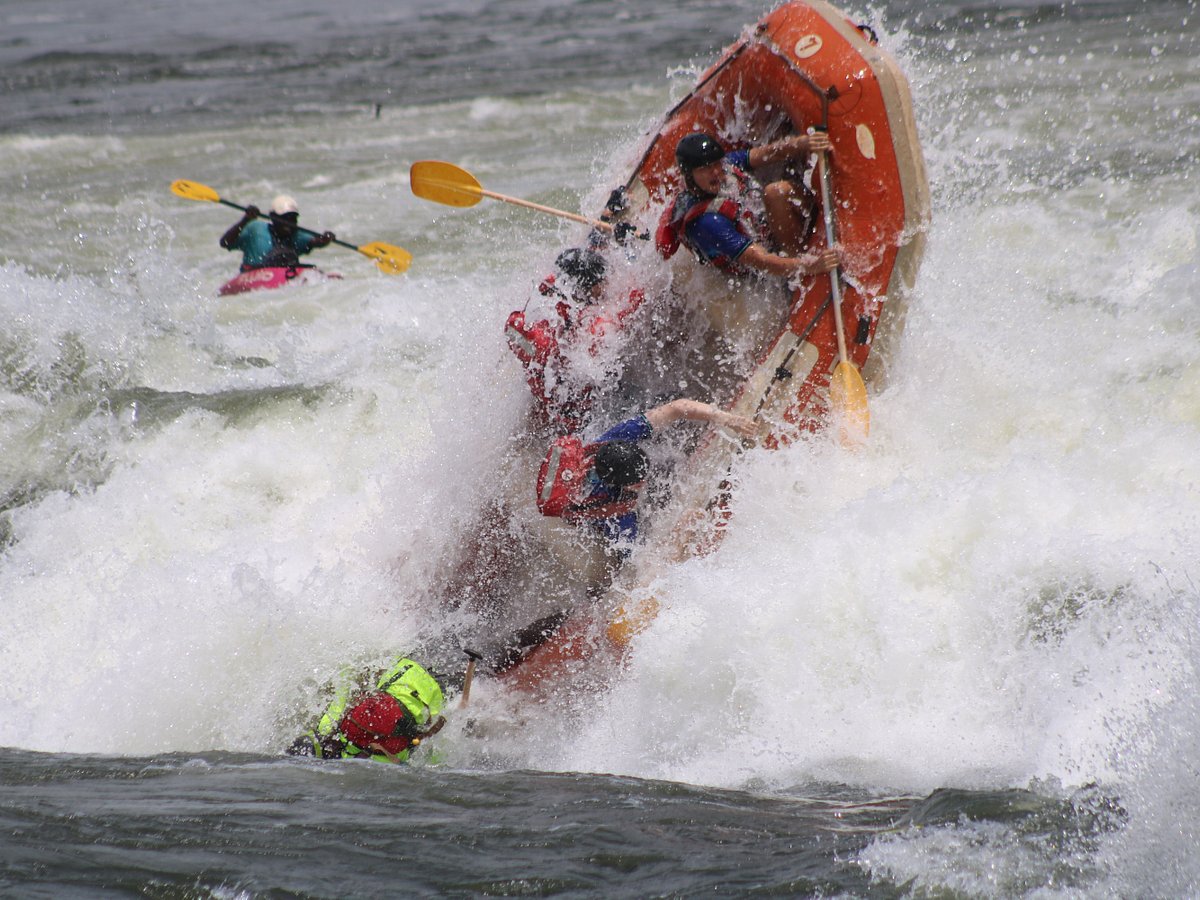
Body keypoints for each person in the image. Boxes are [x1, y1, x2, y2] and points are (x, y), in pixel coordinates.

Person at [535, 398, 760, 551]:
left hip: (604, 477)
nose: (644, 481)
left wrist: (727, 419)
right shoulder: (611, 512)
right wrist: (679, 533)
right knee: (629, 544)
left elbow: (676, 407)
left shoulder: (613, 440)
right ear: (618, 486)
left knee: (666, 400)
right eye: (637, 482)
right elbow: (644, 560)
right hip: (590, 512)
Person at [656, 132, 839, 280]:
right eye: (704, 169)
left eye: (715, 164)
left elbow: (766, 154)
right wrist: (811, 266)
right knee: (774, 193)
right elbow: (762, 260)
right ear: (689, 176)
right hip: (758, 268)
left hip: (764, 230)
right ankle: (801, 264)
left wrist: (802, 143)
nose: (715, 172)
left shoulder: (725, 167)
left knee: (775, 192)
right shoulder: (708, 222)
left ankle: (828, 208)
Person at [505, 245, 644, 430]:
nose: (606, 286)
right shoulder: (595, 328)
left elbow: (512, 331)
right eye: (602, 282)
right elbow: (637, 296)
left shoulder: (542, 310)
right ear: (592, 288)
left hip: (544, 409)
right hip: (583, 422)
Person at [219, 194, 335, 271]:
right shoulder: (255, 228)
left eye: (292, 218)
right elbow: (225, 242)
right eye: (285, 218)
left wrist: (325, 239)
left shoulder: (297, 234)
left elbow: (316, 241)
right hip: (252, 275)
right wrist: (245, 220)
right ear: (272, 217)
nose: (289, 222)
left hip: (283, 277)